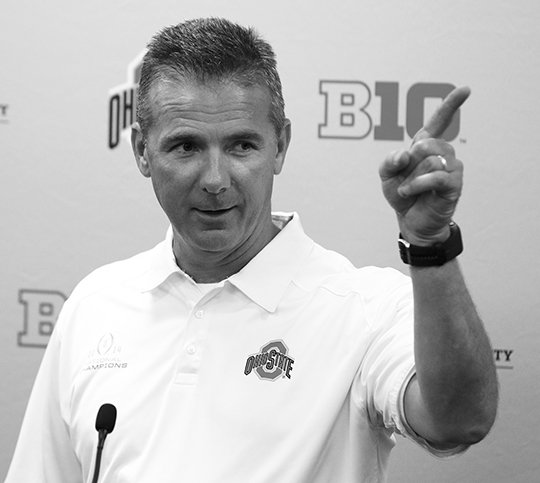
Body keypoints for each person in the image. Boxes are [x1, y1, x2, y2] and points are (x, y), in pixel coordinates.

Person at [6, 17, 498, 483]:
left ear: (280, 145)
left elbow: (458, 420)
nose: (216, 181)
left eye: (242, 145)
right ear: (141, 151)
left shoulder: (364, 307)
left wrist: (430, 247)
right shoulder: (95, 304)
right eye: (185, 147)